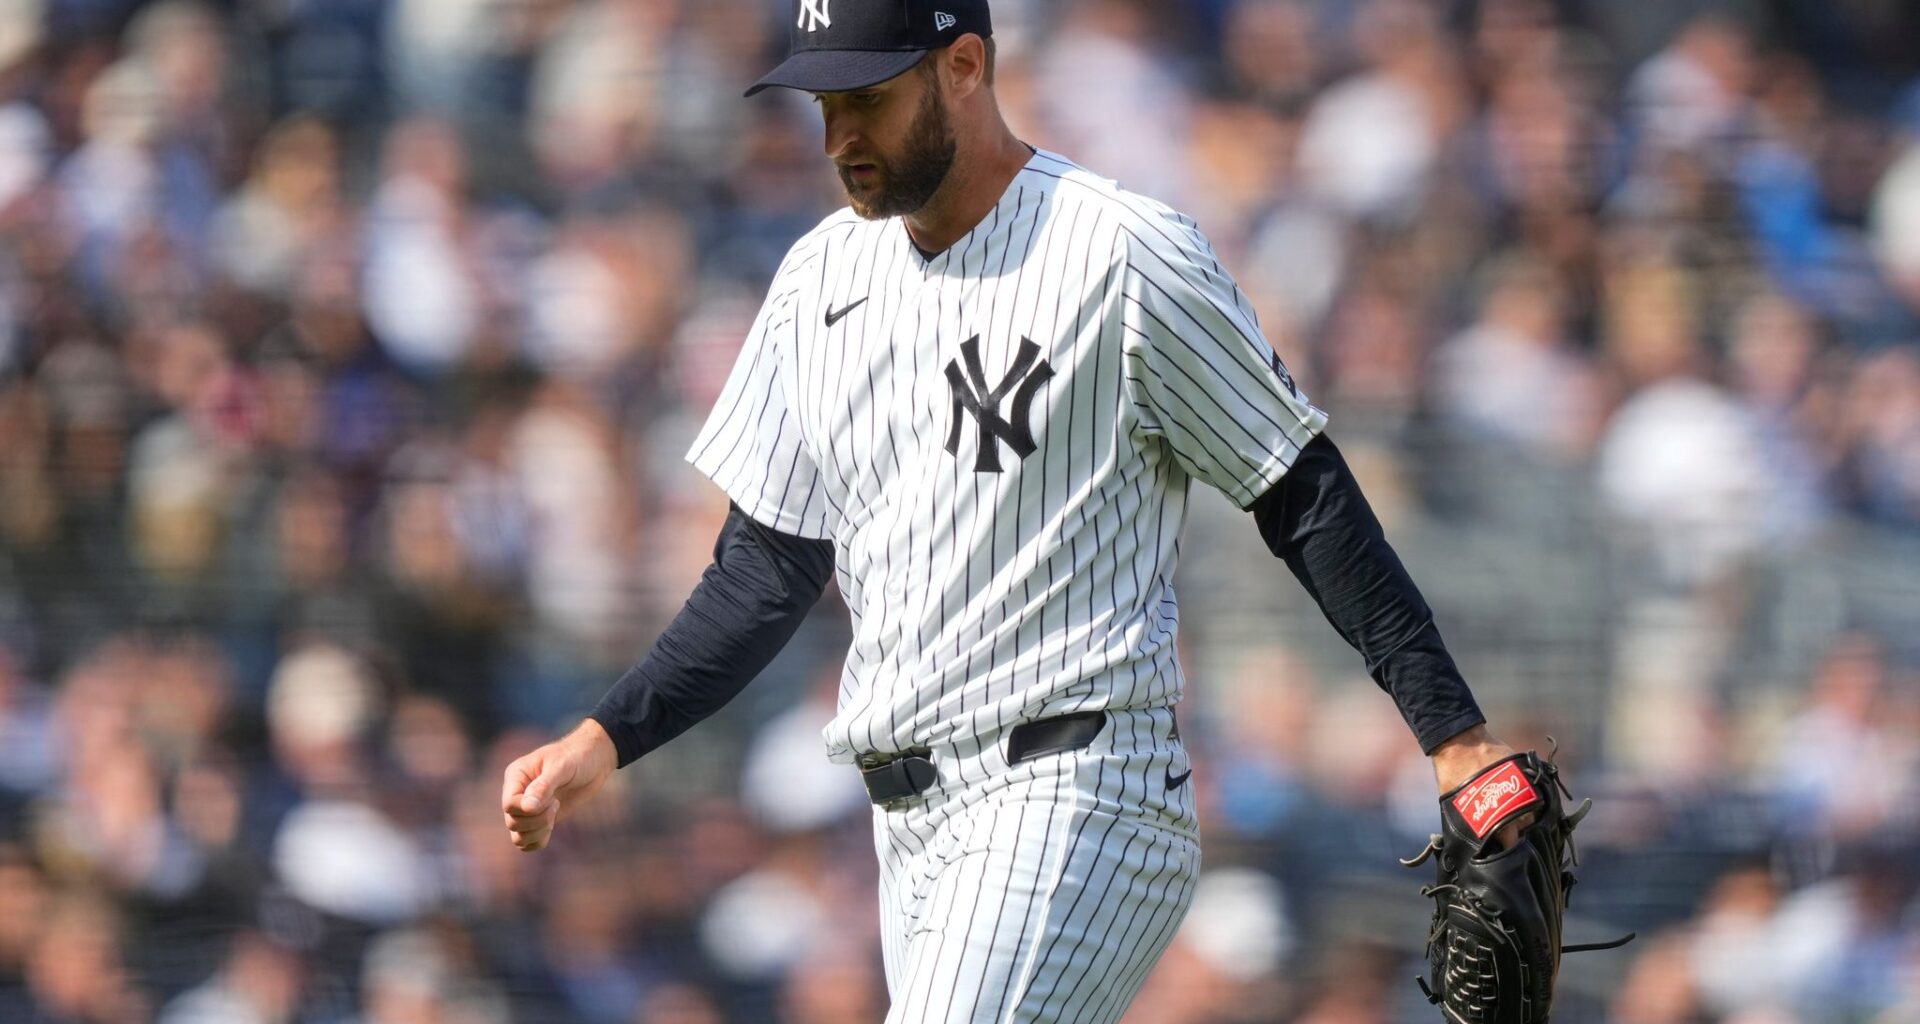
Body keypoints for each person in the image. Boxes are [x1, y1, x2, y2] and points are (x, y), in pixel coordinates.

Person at [502, 2, 1523, 1020]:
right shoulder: (818, 278)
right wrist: (604, 737)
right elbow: (767, 568)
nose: (840, 136)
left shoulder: (1121, 250)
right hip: (907, 825)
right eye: (824, 104)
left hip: (1076, 784)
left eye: (868, 98)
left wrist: (1454, 737)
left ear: (963, 66)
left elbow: (1300, 492)